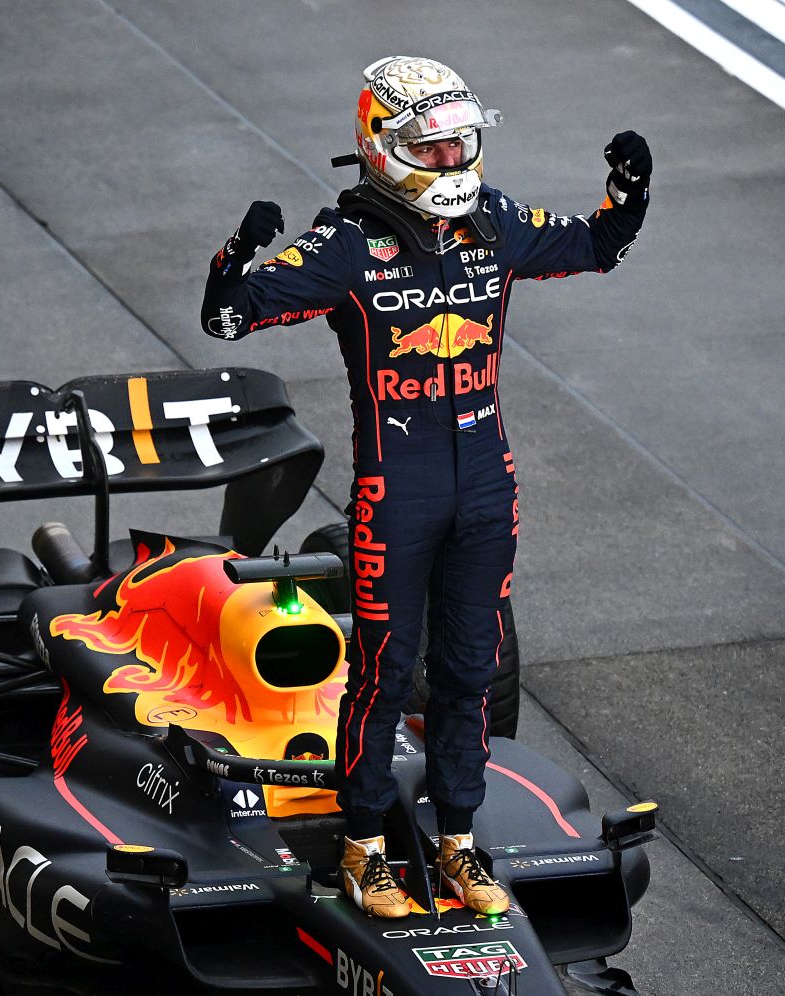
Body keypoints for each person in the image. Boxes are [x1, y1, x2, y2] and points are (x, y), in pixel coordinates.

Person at [201, 55, 649, 918]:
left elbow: (598, 246)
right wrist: (236, 253)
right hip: (393, 492)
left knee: (471, 670)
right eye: (431, 148)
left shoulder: (498, 222)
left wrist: (626, 192)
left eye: (461, 145)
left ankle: (456, 843)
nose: (452, 164)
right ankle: (365, 851)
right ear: (382, 149)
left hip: (488, 486)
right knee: (383, 670)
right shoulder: (344, 244)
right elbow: (227, 317)